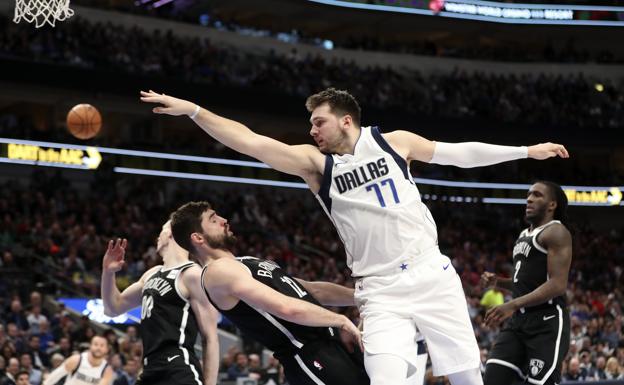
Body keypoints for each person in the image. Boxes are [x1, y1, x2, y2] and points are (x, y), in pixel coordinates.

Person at [141, 87, 568, 385]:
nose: (312, 130)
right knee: (384, 379)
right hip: (378, 289)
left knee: (466, 376)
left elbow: (459, 153)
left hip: (431, 272)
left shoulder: (393, 142)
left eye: (319, 122)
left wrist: (526, 152)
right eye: (311, 124)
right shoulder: (316, 165)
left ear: (346, 120)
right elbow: (251, 142)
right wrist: (195, 111)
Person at [169, 201, 369, 385]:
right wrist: (341, 320)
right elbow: (287, 308)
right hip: (309, 355)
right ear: (197, 238)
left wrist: (363, 297)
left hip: (331, 342)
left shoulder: (245, 262)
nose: (224, 220)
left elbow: (310, 290)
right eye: (213, 219)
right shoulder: (216, 271)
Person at [100, 221, 219, 385]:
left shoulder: (192, 274)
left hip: (178, 368)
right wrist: (108, 272)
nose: (158, 236)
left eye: (162, 230)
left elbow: (210, 337)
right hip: (149, 370)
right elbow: (112, 308)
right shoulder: (151, 274)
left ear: (172, 233)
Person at [482, 181, 572, 385]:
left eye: (537, 195)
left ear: (552, 205)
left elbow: (557, 285)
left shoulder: (556, 232)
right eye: (529, 194)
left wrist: (512, 305)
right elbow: (523, 284)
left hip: (547, 322)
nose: (529, 198)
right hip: (518, 323)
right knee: (492, 379)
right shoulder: (523, 235)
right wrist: (498, 282)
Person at [42, 335, 113, 385]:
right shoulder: (77, 359)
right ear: (90, 346)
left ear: (106, 349)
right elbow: (56, 375)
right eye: (96, 344)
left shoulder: (107, 370)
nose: (98, 348)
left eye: (102, 345)